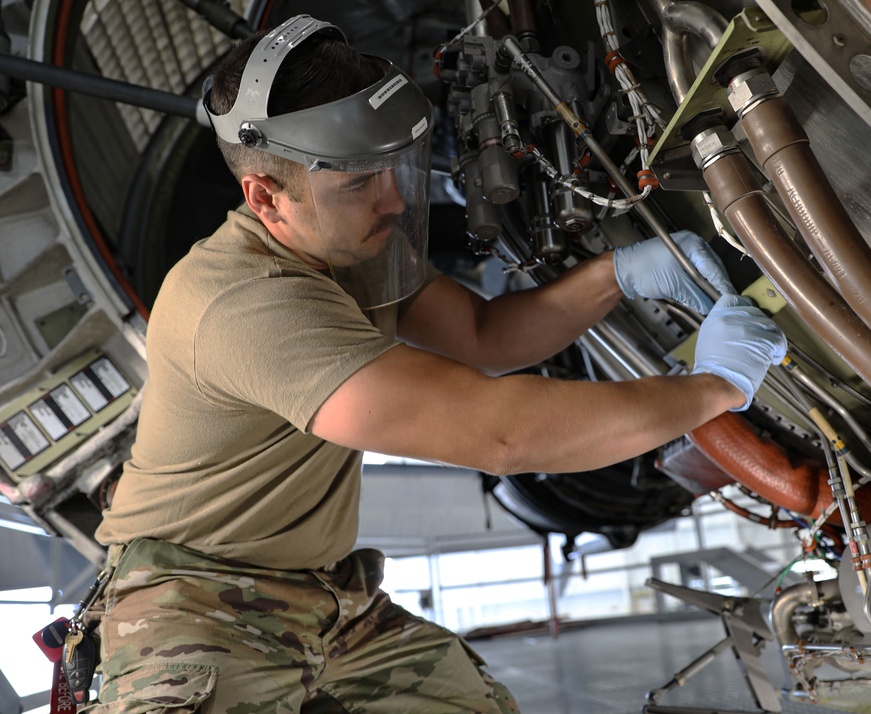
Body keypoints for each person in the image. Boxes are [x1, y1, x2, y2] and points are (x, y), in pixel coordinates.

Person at [89, 14, 786, 714]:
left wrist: (618, 274)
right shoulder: (244, 308)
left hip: (324, 593)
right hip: (190, 608)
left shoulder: (345, 241)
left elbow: (484, 333)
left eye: (394, 168)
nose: (392, 199)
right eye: (359, 183)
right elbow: (500, 435)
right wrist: (712, 388)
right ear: (266, 198)